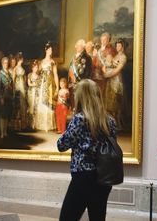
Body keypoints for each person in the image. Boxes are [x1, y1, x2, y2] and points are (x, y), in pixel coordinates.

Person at [57, 79, 117, 221]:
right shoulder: (110, 120)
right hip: (104, 177)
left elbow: (61, 145)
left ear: (81, 97)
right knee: (97, 217)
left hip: (83, 176)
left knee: (67, 218)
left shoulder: (79, 119)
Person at [103, 38, 127, 130]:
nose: (117, 47)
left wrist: (106, 75)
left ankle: (117, 126)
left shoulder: (123, 57)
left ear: (123, 47)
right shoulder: (116, 56)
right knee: (108, 104)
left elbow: (117, 70)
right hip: (110, 81)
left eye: (119, 46)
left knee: (115, 103)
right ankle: (111, 125)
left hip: (117, 82)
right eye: (116, 45)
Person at [36, 42, 59, 132]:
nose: (51, 51)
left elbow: (55, 75)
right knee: (42, 102)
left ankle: (48, 125)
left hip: (50, 85)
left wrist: (57, 87)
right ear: (46, 50)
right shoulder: (42, 62)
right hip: (43, 85)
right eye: (49, 50)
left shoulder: (53, 62)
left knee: (49, 102)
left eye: (51, 50)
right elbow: (38, 73)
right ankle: (41, 125)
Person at [0, 57, 14, 138]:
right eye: (5, 63)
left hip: (9, 96)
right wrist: (1, 97)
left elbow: (12, 83)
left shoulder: (9, 73)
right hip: (3, 97)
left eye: (7, 63)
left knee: (7, 115)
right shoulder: (0, 74)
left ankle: (5, 131)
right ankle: (2, 133)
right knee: (2, 115)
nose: (6, 64)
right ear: (2, 63)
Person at [13, 52, 28, 130]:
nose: (22, 60)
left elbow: (25, 80)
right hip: (18, 87)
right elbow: (13, 79)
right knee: (19, 104)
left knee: (23, 104)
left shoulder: (22, 69)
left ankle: (23, 124)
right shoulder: (15, 68)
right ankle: (17, 125)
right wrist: (14, 88)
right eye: (21, 58)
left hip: (22, 86)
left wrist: (25, 87)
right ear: (20, 59)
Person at [27, 60, 40, 130]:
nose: (36, 69)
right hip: (31, 92)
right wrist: (34, 84)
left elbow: (39, 84)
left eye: (37, 67)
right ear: (32, 68)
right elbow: (29, 83)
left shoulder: (38, 76)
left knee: (35, 107)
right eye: (34, 67)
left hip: (36, 93)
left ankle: (34, 124)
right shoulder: (29, 75)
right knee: (30, 107)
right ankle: (29, 123)